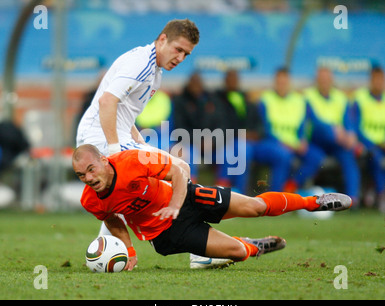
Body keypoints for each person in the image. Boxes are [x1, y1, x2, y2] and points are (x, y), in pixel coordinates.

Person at [72, 144, 352, 270]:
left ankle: (313, 202)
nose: (89, 178)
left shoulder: (132, 161)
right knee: (238, 252)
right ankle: (252, 246)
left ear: (105, 161)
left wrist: (174, 204)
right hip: (166, 235)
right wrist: (129, 249)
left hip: (188, 198)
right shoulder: (89, 199)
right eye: (81, 175)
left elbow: (179, 173)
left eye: (91, 169)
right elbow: (111, 219)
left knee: (254, 207)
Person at [75, 18, 199, 235]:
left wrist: (137, 140)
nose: (180, 58)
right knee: (181, 170)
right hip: (100, 137)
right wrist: (115, 151)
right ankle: (193, 242)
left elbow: (123, 107)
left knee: (127, 190)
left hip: (113, 135)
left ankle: (109, 250)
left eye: (186, 54)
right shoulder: (141, 64)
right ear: (162, 40)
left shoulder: (154, 70)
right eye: (178, 49)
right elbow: (107, 101)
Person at [250, 67, 324, 192]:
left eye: (284, 82)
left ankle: (291, 186)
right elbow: (263, 130)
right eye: (279, 82)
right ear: (275, 83)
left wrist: (303, 140)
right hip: (272, 143)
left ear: (289, 82)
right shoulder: (265, 100)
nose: (282, 85)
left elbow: (307, 124)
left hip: (295, 144)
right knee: (283, 155)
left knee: (316, 156)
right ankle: (275, 199)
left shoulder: (300, 101)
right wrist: (284, 143)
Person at [305, 67, 361, 204]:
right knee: (320, 145)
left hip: (338, 143)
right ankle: (293, 192)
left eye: (327, 79)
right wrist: (333, 130)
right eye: (321, 79)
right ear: (316, 81)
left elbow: (348, 121)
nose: (324, 82)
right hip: (316, 140)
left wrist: (351, 134)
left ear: (331, 80)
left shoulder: (340, 97)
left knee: (349, 156)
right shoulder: (308, 96)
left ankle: (352, 200)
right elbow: (313, 120)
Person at [351, 66, 385, 212]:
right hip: (368, 146)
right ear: (370, 81)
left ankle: (373, 190)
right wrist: (375, 143)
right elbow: (356, 128)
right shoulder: (360, 99)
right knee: (376, 158)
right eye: (375, 79)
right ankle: (382, 195)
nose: (378, 83)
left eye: (381, 79)